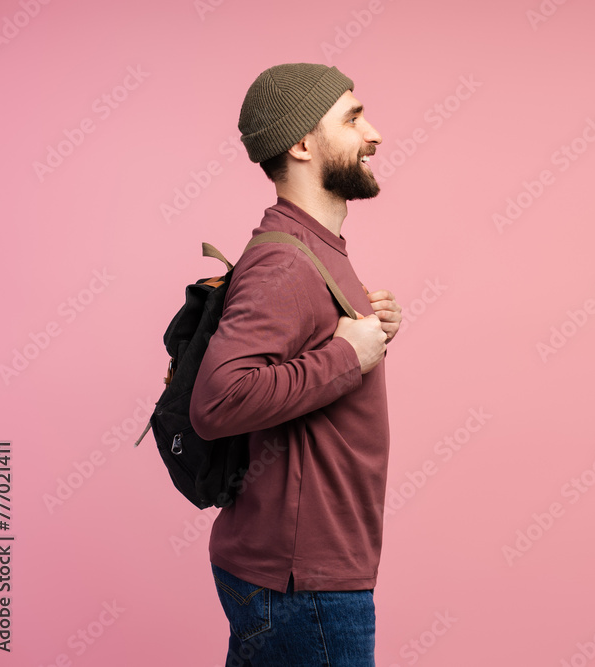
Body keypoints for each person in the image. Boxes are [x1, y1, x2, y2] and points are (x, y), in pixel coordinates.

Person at [189, 63, 401, 667]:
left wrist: (372, 336)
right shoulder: (286, 263)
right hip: (303, 585)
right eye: (354, 118)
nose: (375, 134)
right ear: (303, 144)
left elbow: (315, 357)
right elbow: (218, 400)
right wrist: (346, 354)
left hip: (299, 574)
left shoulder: (315, 247)